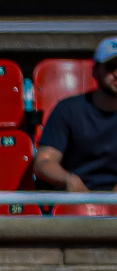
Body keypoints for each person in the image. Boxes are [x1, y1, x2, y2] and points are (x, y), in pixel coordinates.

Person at [35, 39, 117, 197]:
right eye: (111, 67)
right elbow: (43, 162)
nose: (116, 73)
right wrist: (69, 179)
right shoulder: (68, 109)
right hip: (75, 199)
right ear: (95, 71)